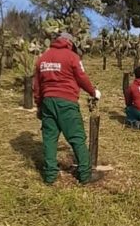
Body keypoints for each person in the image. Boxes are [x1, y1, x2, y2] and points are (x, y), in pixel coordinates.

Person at [33, 32, 103, 185]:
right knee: (77, 137)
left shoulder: (42, 58)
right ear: (70, 43)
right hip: (66, 102)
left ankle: (50, 176)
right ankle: (85, 175)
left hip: (47, 102)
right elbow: (81, 78)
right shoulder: (72, 57)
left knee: (50, 139)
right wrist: (93, 92)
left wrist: (39, 105)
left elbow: (37, 85)